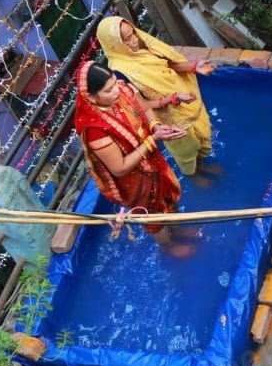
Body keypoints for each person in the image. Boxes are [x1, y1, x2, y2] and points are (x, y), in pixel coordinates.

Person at [73, 61, 191, 257]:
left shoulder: (123, 90)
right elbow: (119, 168)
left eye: (114, 82)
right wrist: (153, 140)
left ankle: (178, 230)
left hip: (151, 160)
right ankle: (168, 246)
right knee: (150, 214)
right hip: (134, 181)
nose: (116, 91)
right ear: (91, 97)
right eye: (108, 90)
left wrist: (155, 126)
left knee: (167, 197)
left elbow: (145, 109)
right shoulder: (94, 129)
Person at [96, 16, 217, 182]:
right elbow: (142, 106)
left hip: (189, 102)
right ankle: (193, 176)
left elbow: (170, 64)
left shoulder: (145, 48)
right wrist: (173, 98)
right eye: (127, 40)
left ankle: (201, 166)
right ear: (114, 45)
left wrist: (195, 67)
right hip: (171, 119)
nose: (134, 40)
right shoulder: (119, 74)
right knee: (187, 153)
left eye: (133, 34)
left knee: (204, 140)